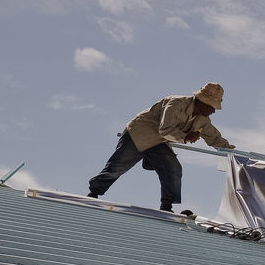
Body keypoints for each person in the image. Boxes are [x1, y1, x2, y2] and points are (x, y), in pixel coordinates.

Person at [87, 82, 235, 211]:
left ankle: (166, 205)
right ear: (202, 102)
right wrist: (185, 137)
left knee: (173, 168)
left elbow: (214, 137)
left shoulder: (203, 120)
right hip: (138, 135)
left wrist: (230, 151)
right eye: (212, 106)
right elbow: (165, 129)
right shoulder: (176, 103)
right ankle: (94, 192)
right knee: (117, 166)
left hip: (159, 143)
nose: (214, 111)